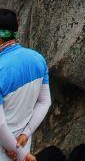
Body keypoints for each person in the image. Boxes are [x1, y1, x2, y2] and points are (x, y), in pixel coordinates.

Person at [0, 10, 51, 161]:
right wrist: (25, 134)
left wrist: (20, 153)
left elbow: (0, 124)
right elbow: (45, 101)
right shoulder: (38, 59)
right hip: (23, 146)